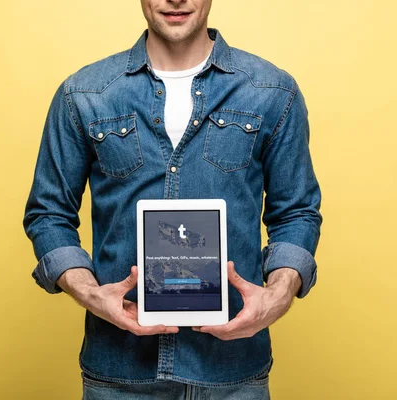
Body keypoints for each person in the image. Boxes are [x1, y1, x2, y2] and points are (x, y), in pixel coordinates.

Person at [23, 0, 322, 398]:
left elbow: (297, 212)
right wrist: (91, 293)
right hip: (120, 372)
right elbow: (48, 213)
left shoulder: (272, 92)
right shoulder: (84, 93)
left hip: (233, 374)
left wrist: (280, 293)